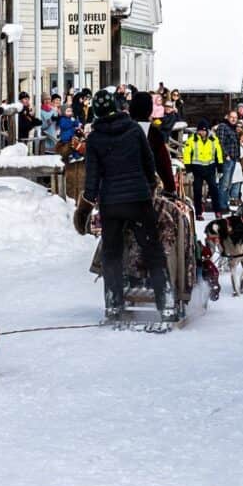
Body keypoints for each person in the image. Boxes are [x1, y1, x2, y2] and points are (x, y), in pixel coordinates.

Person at [82, 90, 175, 321]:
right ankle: (166, 302)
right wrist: (151, 183)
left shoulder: (94, 138)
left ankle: (114, 303)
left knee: (112, 253)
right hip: (138, 199)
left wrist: (86, 204)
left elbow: (92, 177)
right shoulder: (134, 129)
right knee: (151, 249)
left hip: (111, 203)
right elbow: (148, 161)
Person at [129, 91, 176, 194]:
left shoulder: (123, 128)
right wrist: (170, 187)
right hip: (143, 187)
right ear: (149, 109)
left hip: (117, 187)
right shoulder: (152, 132)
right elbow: (163, 163)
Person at [183, 120, 224, 220]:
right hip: (197, 170)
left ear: (207, 131)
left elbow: (218, 153)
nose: (201, 132)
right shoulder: (192, 140)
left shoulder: (214, 140)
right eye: (200, 131)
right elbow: (187, 154)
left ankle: (217, 211)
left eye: (203, 131)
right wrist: (189, 170)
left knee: (214, 190)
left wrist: (220, 168)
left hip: (210, 169)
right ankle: (198, 213)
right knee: (197, 192)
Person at [215, 110, 241, 215]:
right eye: (232, 117)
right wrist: (226, 155)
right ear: (227, 117)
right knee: (224, 183)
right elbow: (219, 142)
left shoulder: (233, 129)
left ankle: (225, 204)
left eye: (236, 117)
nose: (234, 119)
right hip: (227, 159)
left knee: (228, 184)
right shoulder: (223, 127)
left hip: (233, 159)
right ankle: (221, 206)